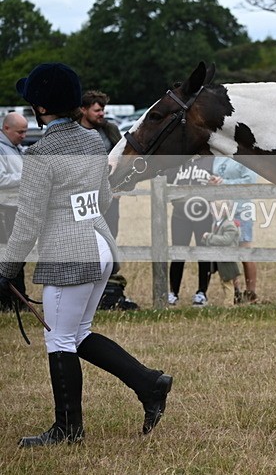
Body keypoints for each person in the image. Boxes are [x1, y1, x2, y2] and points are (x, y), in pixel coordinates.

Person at [0, 63, 171, 447]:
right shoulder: (93, 141)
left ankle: (68, 429)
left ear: (41, 108)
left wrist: (6, 269)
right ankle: (149, 383)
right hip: (100, 244)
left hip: (70, 253)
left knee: (60, 340)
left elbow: (27, 221)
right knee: (77, 334)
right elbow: (104, 198)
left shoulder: (41, 153)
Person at [166, 157, 217, 307]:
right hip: (180, 215)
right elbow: (166, 181)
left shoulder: (209, 160)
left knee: (203, 253)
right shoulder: (178, 160)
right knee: (178, 253)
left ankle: (201, 292)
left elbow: (220, 181)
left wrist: (214, 184)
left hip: (203, 214)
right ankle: (173, 292)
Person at [211, 156, 259, 303]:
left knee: (244, 251)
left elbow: (250, 181)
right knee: (228, 252)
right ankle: (235, 291)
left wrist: (224, 183)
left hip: (240, 210)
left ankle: (251, 293)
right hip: (222, 211)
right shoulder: (218, 157)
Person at [79, 90, 121, 237]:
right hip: (82, 197)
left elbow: (122, 159)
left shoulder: (110, 129)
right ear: (83, 110)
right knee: (85, 238)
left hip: (109, 196)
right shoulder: (73, 133)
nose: (101, 114)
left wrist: (118, 188)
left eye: (102, 110)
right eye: (97, 110)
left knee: (110, 236)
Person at [0, 112, 28, 311]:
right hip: (5, 211)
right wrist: (25, 175)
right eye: (20, 132)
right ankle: (10, 301)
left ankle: (18, 299)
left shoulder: (15, 147)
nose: (23, 136)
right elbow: (1, 180)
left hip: (16, 210)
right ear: (6, 128)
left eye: (25, 132)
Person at [202, 200, 242, 305]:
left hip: (227, 258)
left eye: (214, 211)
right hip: (221, 258)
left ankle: (229, 303)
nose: (211, 213)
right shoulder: (218, 223)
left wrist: (209, 237)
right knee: (226, 281)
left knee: (227, 281)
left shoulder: (229, 225)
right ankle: (231, 300)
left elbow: (225, 240)